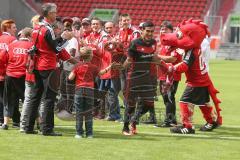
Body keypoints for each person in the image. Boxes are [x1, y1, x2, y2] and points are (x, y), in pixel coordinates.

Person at [160, 19, 221, 134]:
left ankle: (187, 126)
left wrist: (172, 68)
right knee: (202, 102)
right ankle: (211, 122)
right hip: (203, 78)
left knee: (184, 102)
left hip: (196, 81)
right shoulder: (194, 48)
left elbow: (184, 66)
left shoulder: (191, 50)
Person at [24, 3, 76, 135]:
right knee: (49, 98)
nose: (56, 14)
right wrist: (65, 38)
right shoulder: (48, 29)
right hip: (48, 66)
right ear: (49, 14)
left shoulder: (36, 28)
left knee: (35, 97)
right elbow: (56, 48)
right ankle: (47, 129)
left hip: (37, 66)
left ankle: (28, 127)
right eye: (54, 12)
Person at [68, 46, 121, 139]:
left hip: (79, 90)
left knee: (79, 112)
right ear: (91, 56)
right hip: (89, 91)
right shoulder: (93, 67)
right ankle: (89, 134)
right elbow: (101, 73)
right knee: (88, 113)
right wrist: (110, 66)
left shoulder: (77, 66)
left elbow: (70, 78)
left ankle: (79, 133)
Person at [122, 21, 158, 135]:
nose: (150, 33)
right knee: (131, 105)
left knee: (149, 104)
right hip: (133, 77)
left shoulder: (153, 42)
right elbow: (128, 60)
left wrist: (166, 64)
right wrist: (121, 69)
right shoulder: (135, 43)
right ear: (142, 30)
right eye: (148, 31)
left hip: (146, 77)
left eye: (152, 31)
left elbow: (153, 58)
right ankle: (125, 128)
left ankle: (134, 120)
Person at [0, 27, 33, 130]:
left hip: (10, 75)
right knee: (28, 100)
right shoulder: (31, 46)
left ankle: (5, 123)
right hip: (24, 76)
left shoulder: (11, 45)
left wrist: (7, 68)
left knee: (8, 100)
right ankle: (34, 122)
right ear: (29, 36)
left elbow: (1, 58)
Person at [155, 21, 183, 127]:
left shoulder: (177, 44)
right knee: (166, 97)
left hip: (172, 75)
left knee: (170, 97)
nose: (163, 31)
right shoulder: (164, 44)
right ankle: (172, 120)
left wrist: (157, 57)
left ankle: (169, 121)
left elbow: (172, 58)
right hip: (162, 74)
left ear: (172, 31)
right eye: (161, 29)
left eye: (165, 29)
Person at [0, 19, 18, 128]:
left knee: (1, 97)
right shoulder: (12, 40)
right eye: (14, 27)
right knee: (12, 97)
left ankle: (2, 119)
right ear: (7, 28)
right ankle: (15, 119)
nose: (16, 29)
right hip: (9, 73)